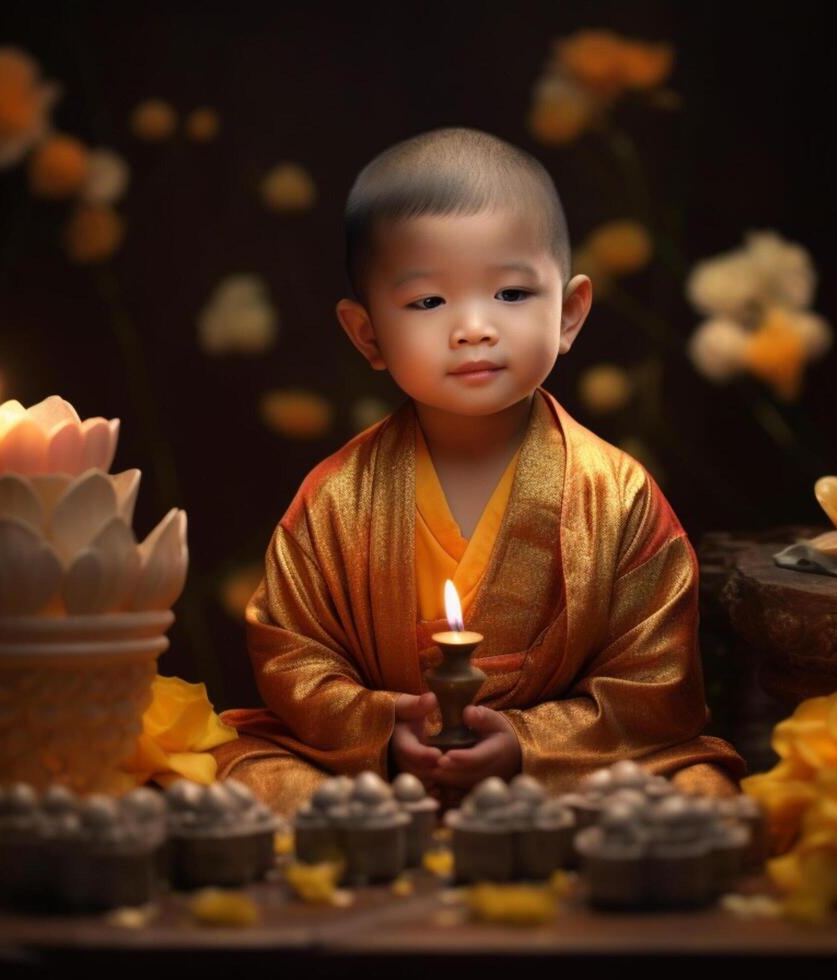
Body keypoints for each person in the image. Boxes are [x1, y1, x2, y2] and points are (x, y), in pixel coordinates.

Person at [212, 127, 743, 815]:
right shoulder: (337, 496)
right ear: (367, 334)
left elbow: (656, 686)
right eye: (428, 302)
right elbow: (294, 652)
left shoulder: (616, 494)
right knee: (236, 773)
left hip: (564, 774)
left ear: (571, 312)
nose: (473, 328)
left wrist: (525, 745)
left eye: (512, 295)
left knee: (704, 795)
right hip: (382, 772)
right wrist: (385, 729)